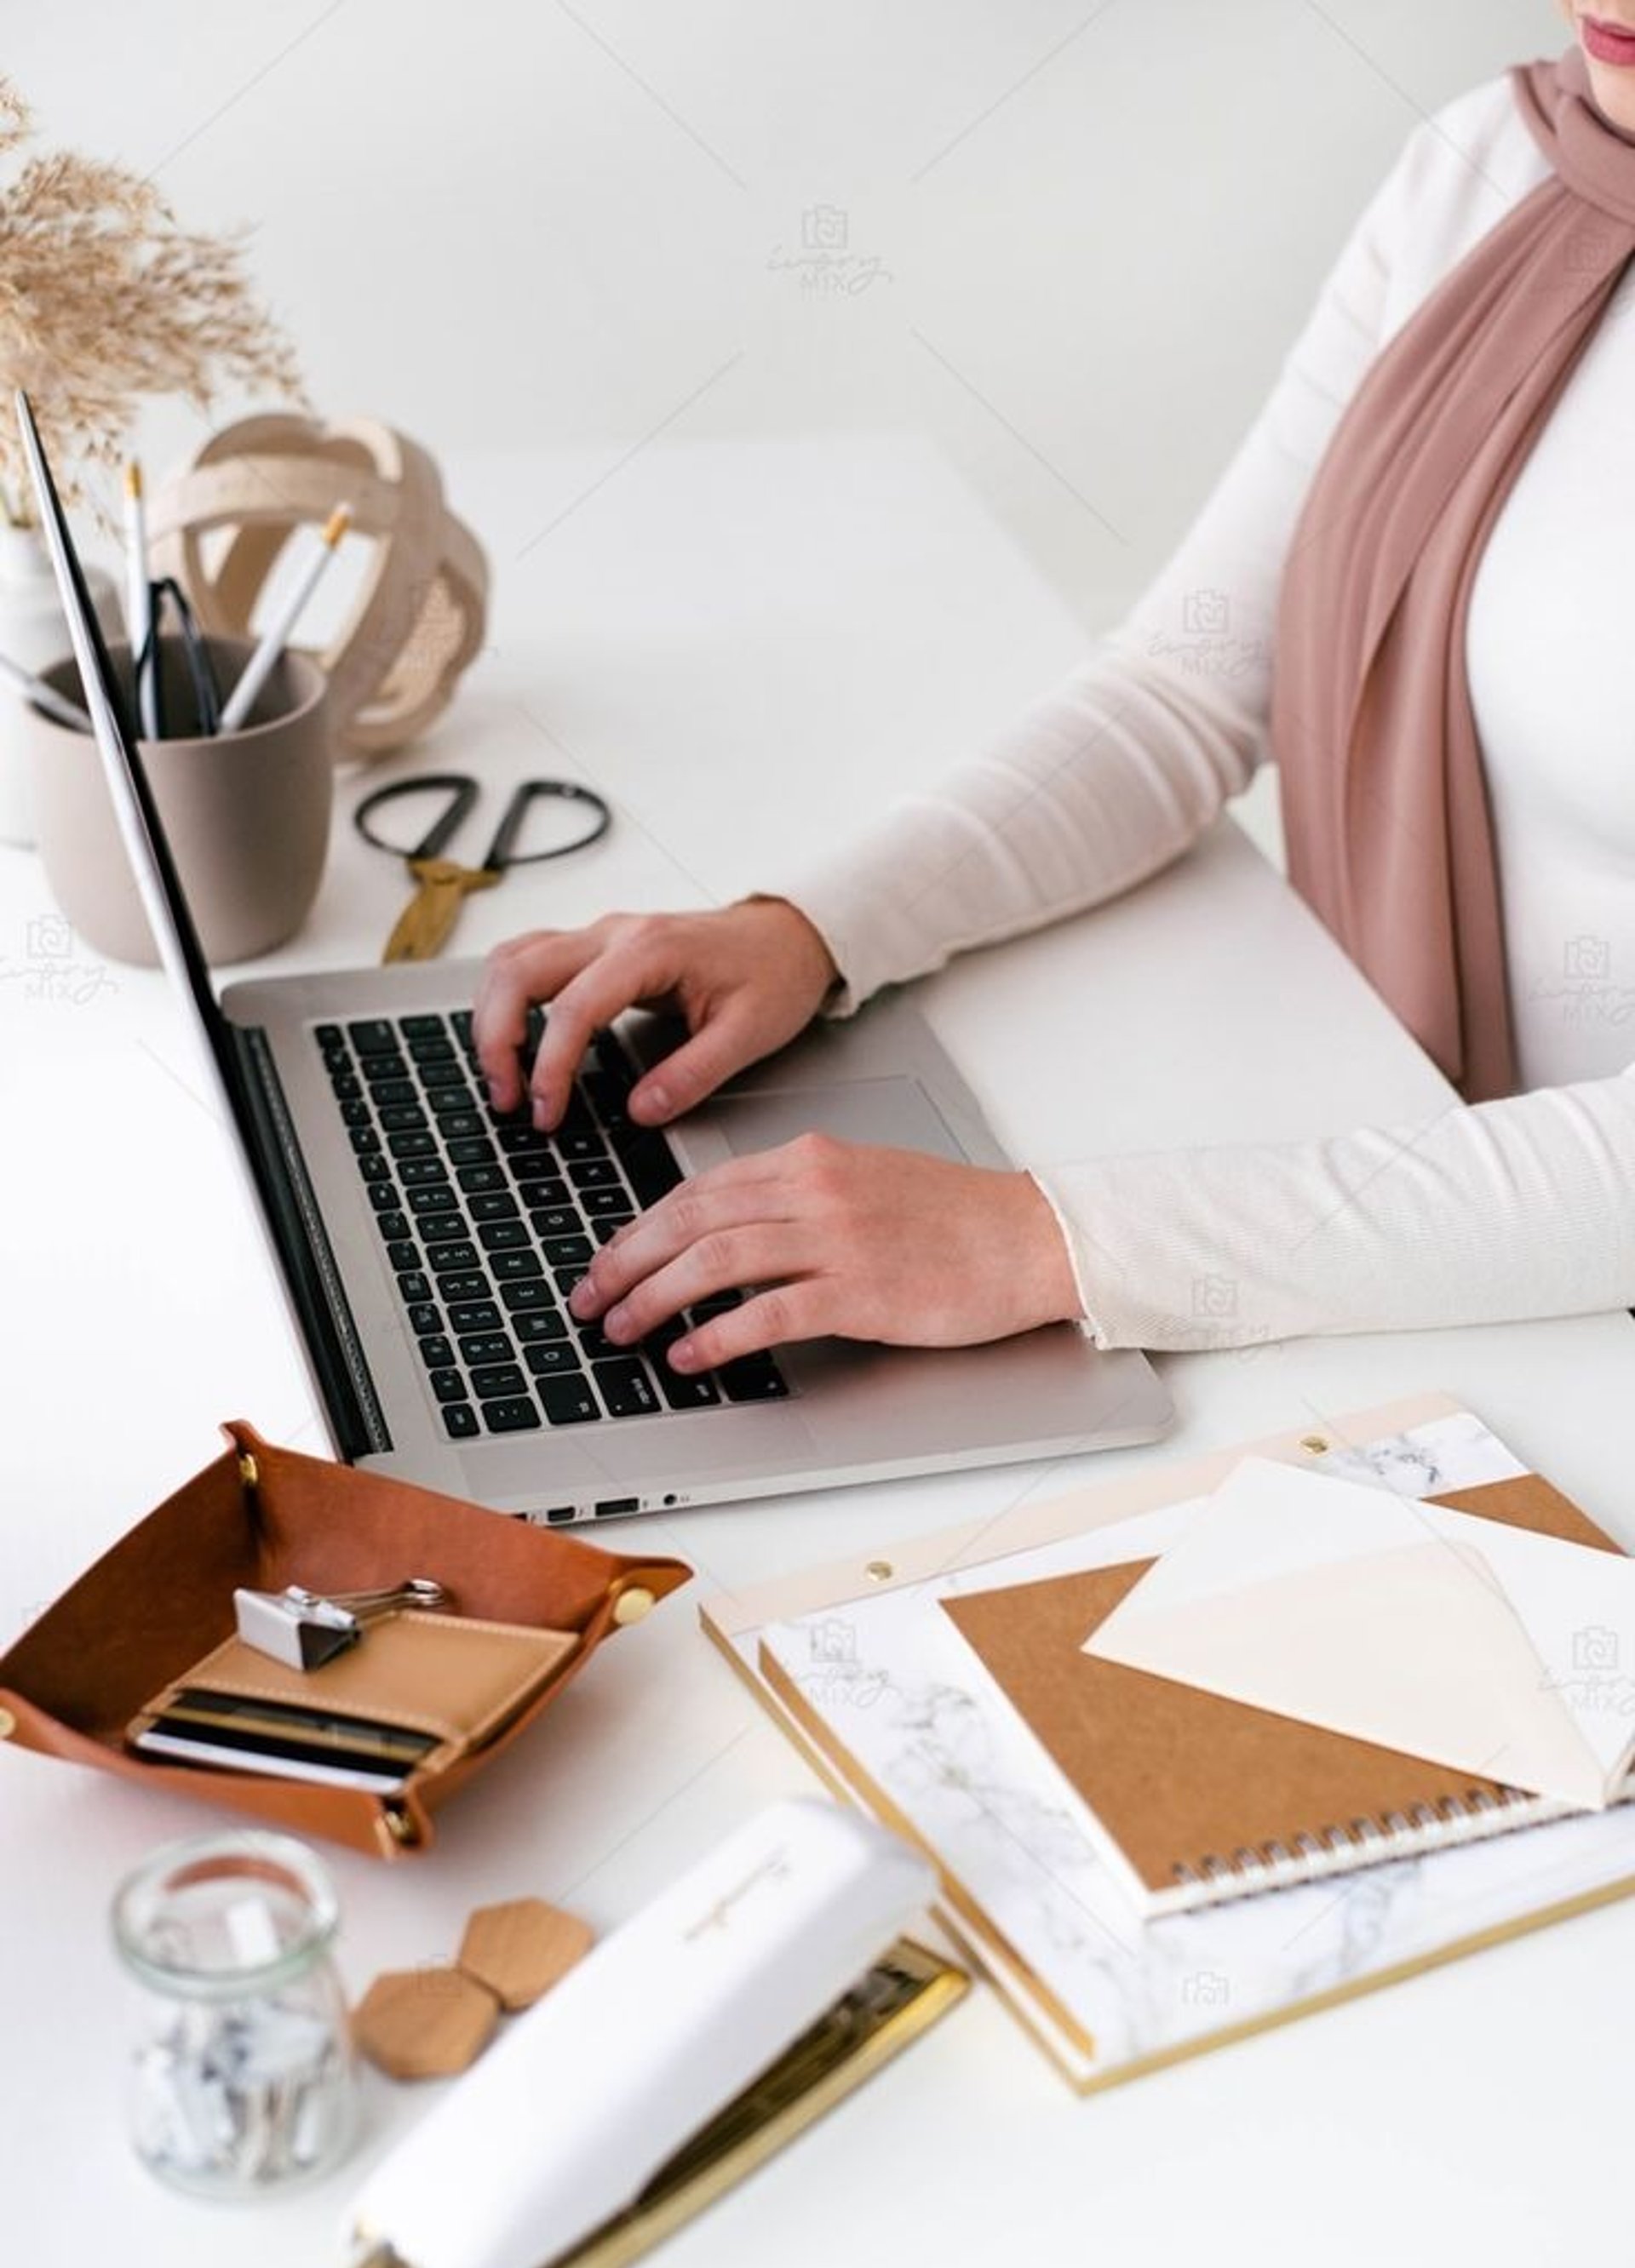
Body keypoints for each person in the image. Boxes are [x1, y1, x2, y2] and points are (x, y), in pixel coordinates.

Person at [473, 7, 1635, 1377]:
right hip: (1415, 1217)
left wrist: (1047, 1243)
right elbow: (1191, 686)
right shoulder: (1497, 170)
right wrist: (815, 926)